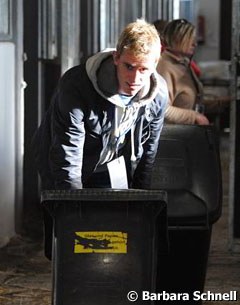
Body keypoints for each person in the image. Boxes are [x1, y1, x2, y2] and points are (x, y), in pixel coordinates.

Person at [32, 19, 168, 258]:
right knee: (72, 240)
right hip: (64, 159)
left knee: (113, 235)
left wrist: (140, 204)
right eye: (128, 66)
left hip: (111, 162)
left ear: (155, 64)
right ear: (116, 57)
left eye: (144, 69)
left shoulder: (157, 96)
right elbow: (67, 154)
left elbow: (148, 153)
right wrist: (73, 216)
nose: (135, 78)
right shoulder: (76, 85)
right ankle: (71, 276)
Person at [157, 18, 229, 125]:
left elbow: (195, 102)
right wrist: (194, 117)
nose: (194, 44)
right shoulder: (165, 67)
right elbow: (162, 110)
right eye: (190, 39)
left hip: (186, 133)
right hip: (174, 136)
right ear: (177, 39)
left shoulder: (184, 64)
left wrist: (223, 102)